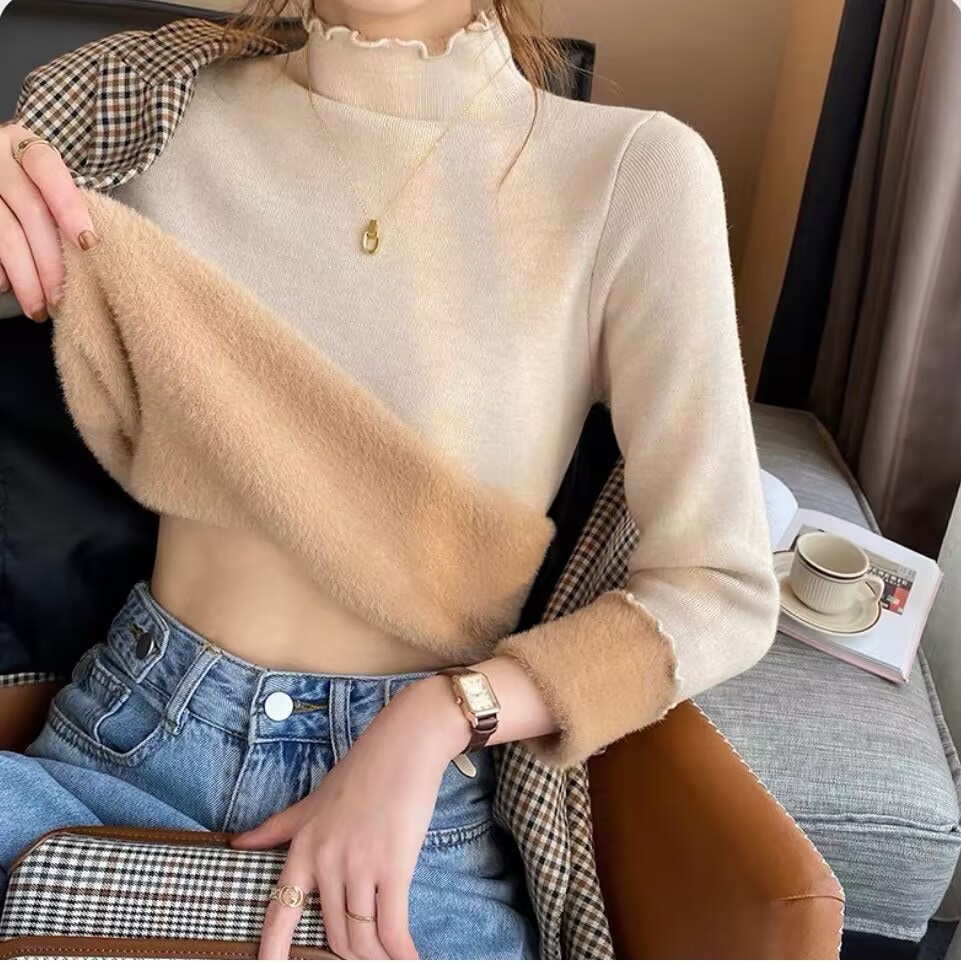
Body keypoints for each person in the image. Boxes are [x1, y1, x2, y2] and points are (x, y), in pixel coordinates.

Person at [0, 1, 782, 959]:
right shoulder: (147, 109)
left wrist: (447, 715)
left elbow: (721, 588)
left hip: (406, 833)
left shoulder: (632, 173)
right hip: (112, 757)